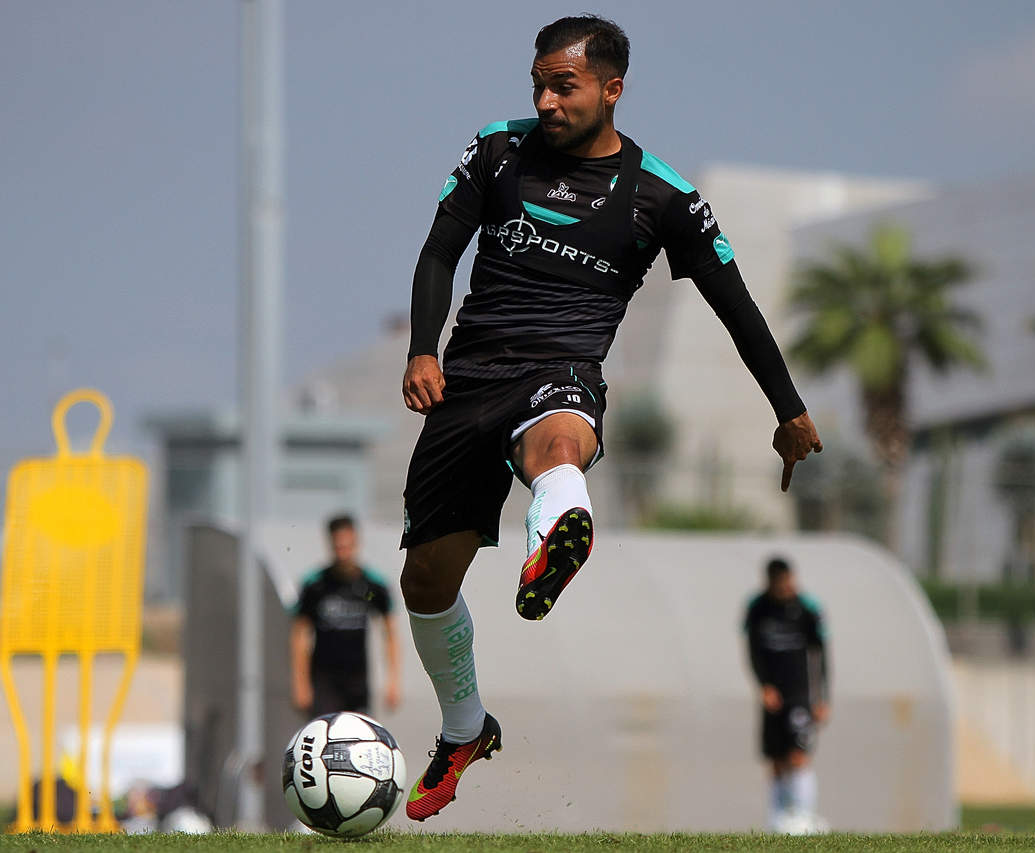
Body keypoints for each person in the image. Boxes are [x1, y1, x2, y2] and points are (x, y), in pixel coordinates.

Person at [397, 15, 823, 821]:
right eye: (538, 85)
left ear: (612, 89)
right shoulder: (497, 150)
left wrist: (788, 408)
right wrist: (424, 346)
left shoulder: (663, 196)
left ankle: (555, 537)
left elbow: (735, 305)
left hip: (563, 371)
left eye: (564, 86)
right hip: (468, 380)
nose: (546, 102)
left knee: (558, 444)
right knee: (424, 582)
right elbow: (439, 250)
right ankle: (465, 728)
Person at [743, 557, 830, 832]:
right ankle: (778, 822)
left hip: (800, 694)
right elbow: (752, 651)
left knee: (798, 755)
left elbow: (821, 656)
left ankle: (803, 818)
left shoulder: (807, 608)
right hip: (773, 697)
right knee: (777, 759)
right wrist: (763, 685)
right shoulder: (757, 608)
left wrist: (822, 697)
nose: (785, 587)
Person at [290, 515, 401, 718]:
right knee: (325, 731)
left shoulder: (369, 587)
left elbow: (389, 631)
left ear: (356, 543)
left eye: (347, 546)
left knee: (358, 732)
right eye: (338, 546)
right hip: (324, 681)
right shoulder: (317, 586)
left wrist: (393, 680)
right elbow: (300, 633)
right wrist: (300, 683)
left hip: (358, 681)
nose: (343, 552)